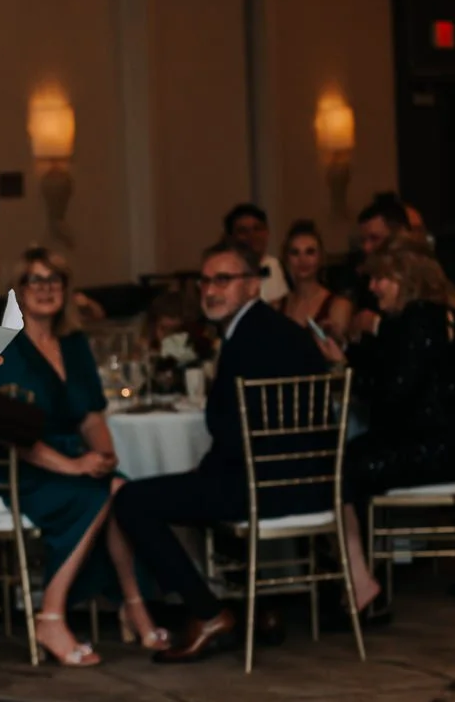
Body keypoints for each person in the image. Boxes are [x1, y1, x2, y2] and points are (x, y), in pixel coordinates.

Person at [112, 242, 325, 663]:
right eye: (206, 280)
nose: (210, 290)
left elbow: (229, 430)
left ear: (252, 286)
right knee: (195, 489)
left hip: (262, 487)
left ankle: (207, 612)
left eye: (223, 280)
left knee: (131, 501)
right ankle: (256, 607)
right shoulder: (277, 330)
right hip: (307, 483)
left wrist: (205, 473)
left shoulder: (248, 339)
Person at [0, 246, 169, 664]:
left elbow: (90, 416)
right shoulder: (5, 346)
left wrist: (105, 457)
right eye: (36, 280)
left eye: (55, 280)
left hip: (65, 463)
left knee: (120, 490)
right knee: (96, 495)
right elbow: (12, 435)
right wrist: (75, 466)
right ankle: (51, 614)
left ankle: (133, 603)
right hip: (16, 468)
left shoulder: (74, 342)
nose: (46, 289)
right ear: (19, 289)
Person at [314, 237, 455, 614]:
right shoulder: (449, 317)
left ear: (406, 278)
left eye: (381, 279)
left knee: (337, 466)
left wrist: (346, 367)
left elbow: (392, 395)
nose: (372, 288)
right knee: (348, 457)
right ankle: (360, 577)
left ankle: (358, 582)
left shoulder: (417, 321)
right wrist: (354, 355)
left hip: (432, 450)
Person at [277, 219, 352, 339]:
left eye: (310, 252)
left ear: (321, 258)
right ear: (286, 259)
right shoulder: (275, 306)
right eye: (295, 253)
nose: (303, 260)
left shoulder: (338, 306)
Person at [223, 202, 289, 306]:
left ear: (267, 232)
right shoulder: (222, 273)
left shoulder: (279, 266)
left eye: (257, 229)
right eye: (243, 231)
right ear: (230, 237)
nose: (252, 236)